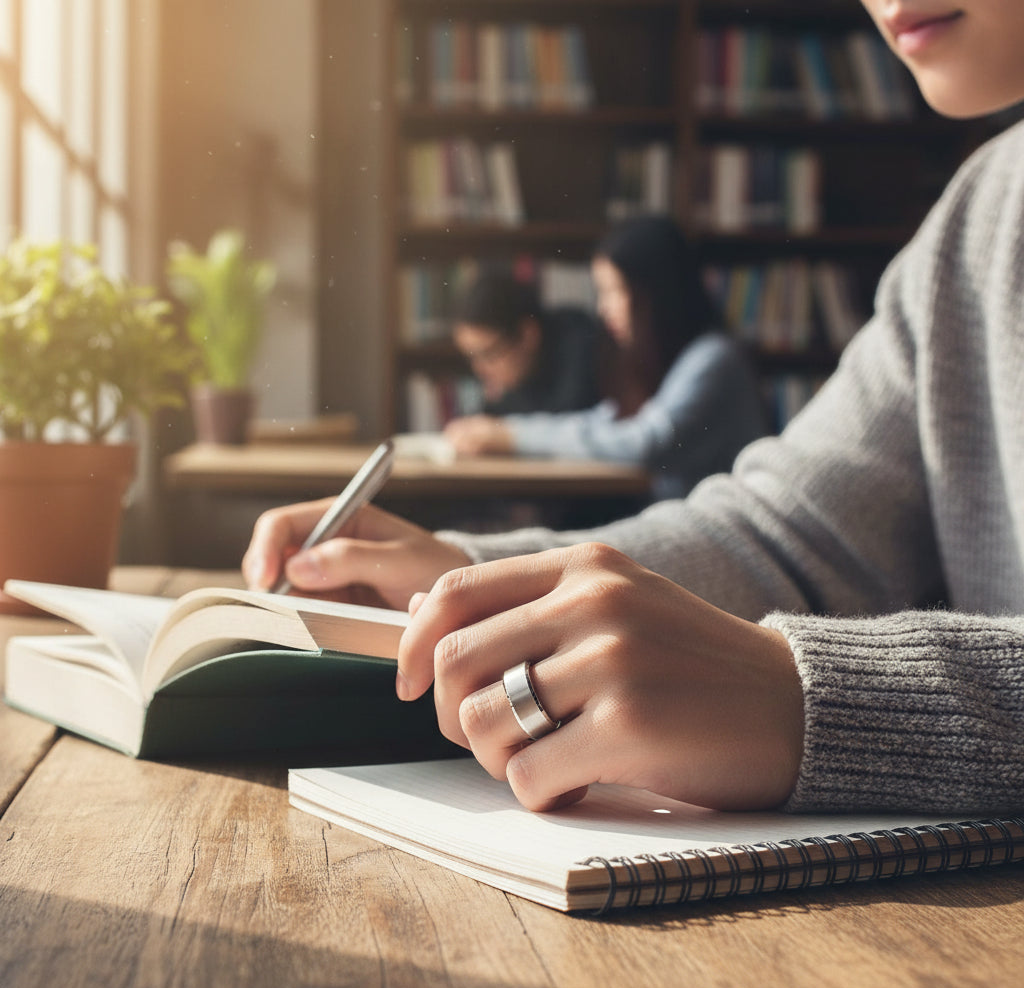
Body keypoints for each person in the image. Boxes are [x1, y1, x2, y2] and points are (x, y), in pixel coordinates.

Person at [244, 0, 1024, 819]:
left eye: (619, 296)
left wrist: (803, 701)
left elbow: (646, 443)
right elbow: (792, 537)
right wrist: (473, 580)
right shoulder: (979, 214)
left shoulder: (712, 359)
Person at [446, 216, 768, 500]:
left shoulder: (714, 358)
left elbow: (644, 441)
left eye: (614, 291)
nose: (602, 308)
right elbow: (604, 422)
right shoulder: (667, 361)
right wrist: (503, 431)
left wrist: (510, 436)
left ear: (655, 292)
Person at [450, 268, 603, 417]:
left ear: (528, 335)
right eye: (472, 357)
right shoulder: (513, 375)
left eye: (489, 354)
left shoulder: (576, 340)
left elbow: (570, 417)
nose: (479, 369)